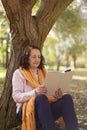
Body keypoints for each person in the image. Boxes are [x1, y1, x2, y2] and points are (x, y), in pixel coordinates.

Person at [12, 45, 79, 130]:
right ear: (26, 58)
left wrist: (56, 96)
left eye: (39, 57)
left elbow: (48, 93)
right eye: (34, 57)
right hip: (26, 111)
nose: (37, 60)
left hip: (46, 109)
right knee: (41, 98)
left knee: (67, 98)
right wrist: (35, 92)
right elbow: (16, 97)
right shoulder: (19, 73)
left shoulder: (44, 72)